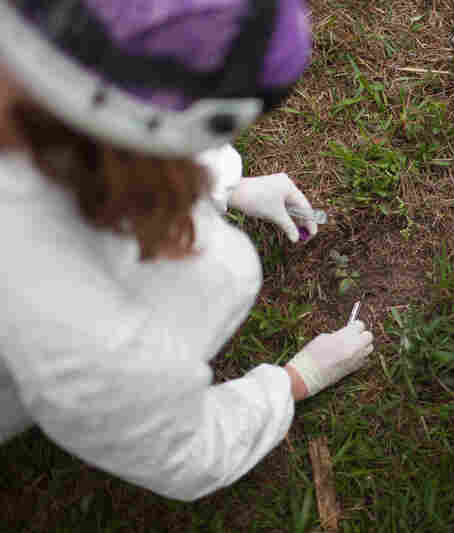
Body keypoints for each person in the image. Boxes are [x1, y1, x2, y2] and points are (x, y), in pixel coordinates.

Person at [0, 0, 374, 502]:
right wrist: (293, 381)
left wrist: (227, 185)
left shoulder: (35, 55)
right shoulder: (83, 328)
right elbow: (183, 454)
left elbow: (111, 104)